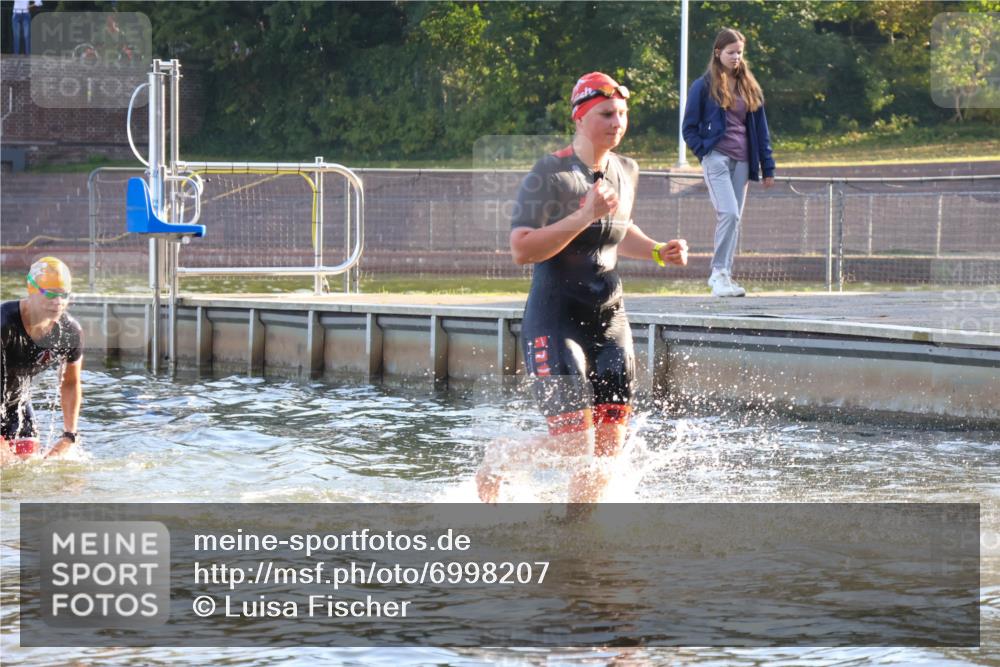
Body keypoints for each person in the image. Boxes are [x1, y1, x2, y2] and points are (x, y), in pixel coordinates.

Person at [477, 72, 688, 504]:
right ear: (580, 117)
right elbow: (521, 249)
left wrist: (655, 251)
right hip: (557, 321)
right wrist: (583, 215)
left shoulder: (625, 170)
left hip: (612, 323)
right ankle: (501, 455)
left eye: (623, 114)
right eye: (606, 113)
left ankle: (580, 543)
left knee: (607, 453)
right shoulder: (550, 173)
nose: (617, 122)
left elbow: (617, 229)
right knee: (576, 448)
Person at [682, 27, 775, 298]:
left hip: (743, 160)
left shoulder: (748, 85)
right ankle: (718, 273)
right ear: (718, 53)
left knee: (734, 220)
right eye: (730, 52)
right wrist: (705, 153)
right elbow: (689, 127)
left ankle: (726, 275)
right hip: (717, 159)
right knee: (729, 213)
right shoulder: (703, 85)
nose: (736, 57)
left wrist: (767, 167)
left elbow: (762, 131)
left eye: (739, 52)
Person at [1, 257, 82, 465]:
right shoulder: (4, 325)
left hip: (16, 405)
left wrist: (69, 435)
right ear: (31, 289)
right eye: (51, 294)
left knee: (30, 467)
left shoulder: (69, 333)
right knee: (5, 463)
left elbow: (71, 383)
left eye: (64, 295)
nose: (58, 302)